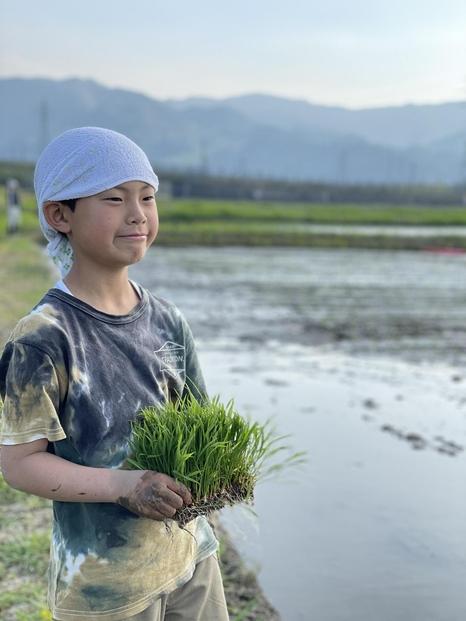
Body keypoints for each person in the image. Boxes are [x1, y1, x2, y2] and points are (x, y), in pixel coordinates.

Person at [0, 127, 229, 621]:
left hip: (193, 560)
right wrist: (124, 486)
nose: (137, 214)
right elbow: (20, 465)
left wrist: (221, 477)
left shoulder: (168, 320)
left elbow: (202, 425)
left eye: (147, 197)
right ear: (60, 215)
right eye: (113, 198)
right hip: (104, 586)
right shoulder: (42, 339)